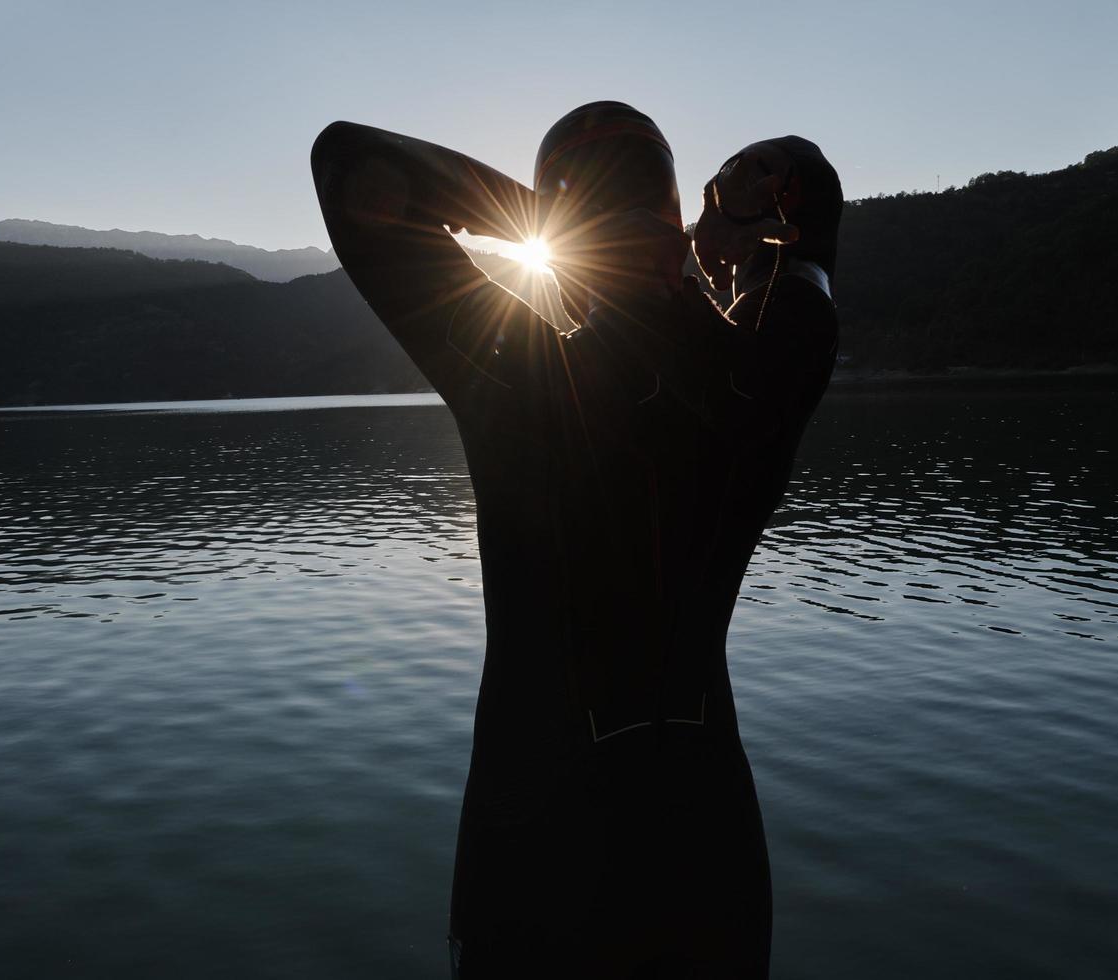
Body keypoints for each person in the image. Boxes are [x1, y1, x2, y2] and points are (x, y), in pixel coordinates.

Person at [311, 103, 840, 978]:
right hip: (708, 849)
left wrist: (565, 221)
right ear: (683, 216)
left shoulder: (519, 373)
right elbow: (817, 226)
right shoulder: (772, 373)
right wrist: (753, 191)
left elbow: (348, 164)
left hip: (534, 849)